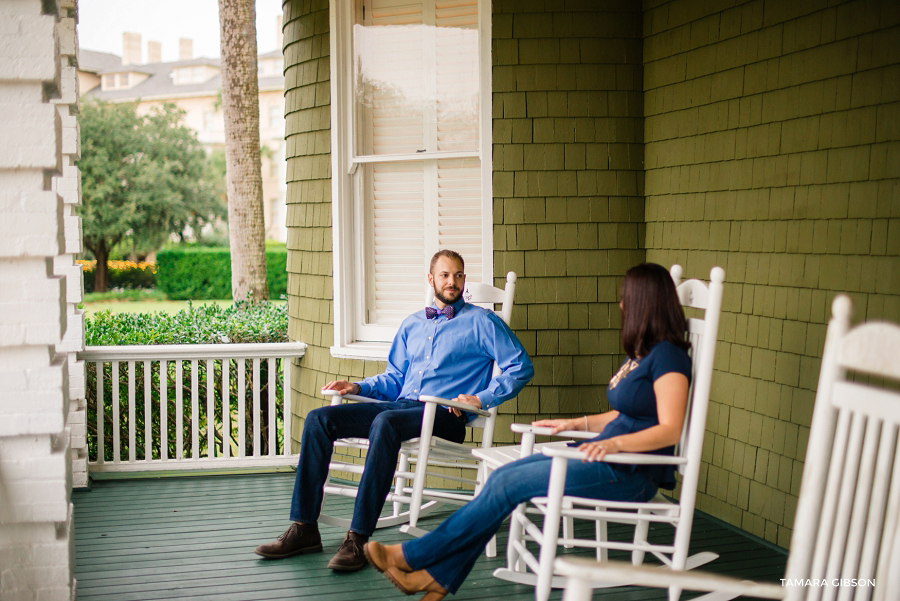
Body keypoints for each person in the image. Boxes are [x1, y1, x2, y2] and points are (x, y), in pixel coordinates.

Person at [363, 262, 693, 601]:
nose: (622, 305)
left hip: (629, 471)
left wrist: (614, 444)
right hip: (604, 455)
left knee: (507, 483)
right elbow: (626, 415)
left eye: (626, 298)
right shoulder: (644, 354)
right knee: (502, 476)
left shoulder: (668, 358)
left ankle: (411, 557)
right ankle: (435, 579)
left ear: (644, 303)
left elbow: (670, 430)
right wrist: (575, 424)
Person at [255, 249, 534, 572]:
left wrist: (481, 398)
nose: (452, 282)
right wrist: (357, 387)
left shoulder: (482, 322)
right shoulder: (412, 324)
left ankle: (359, 539)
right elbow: (394, 378)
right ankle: (304, 528)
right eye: (444, 275)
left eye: (458, 275)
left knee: (385, 422)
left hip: (444, 416)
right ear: (431, 279)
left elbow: (520, 367)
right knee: (320, 419)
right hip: (401, 408)